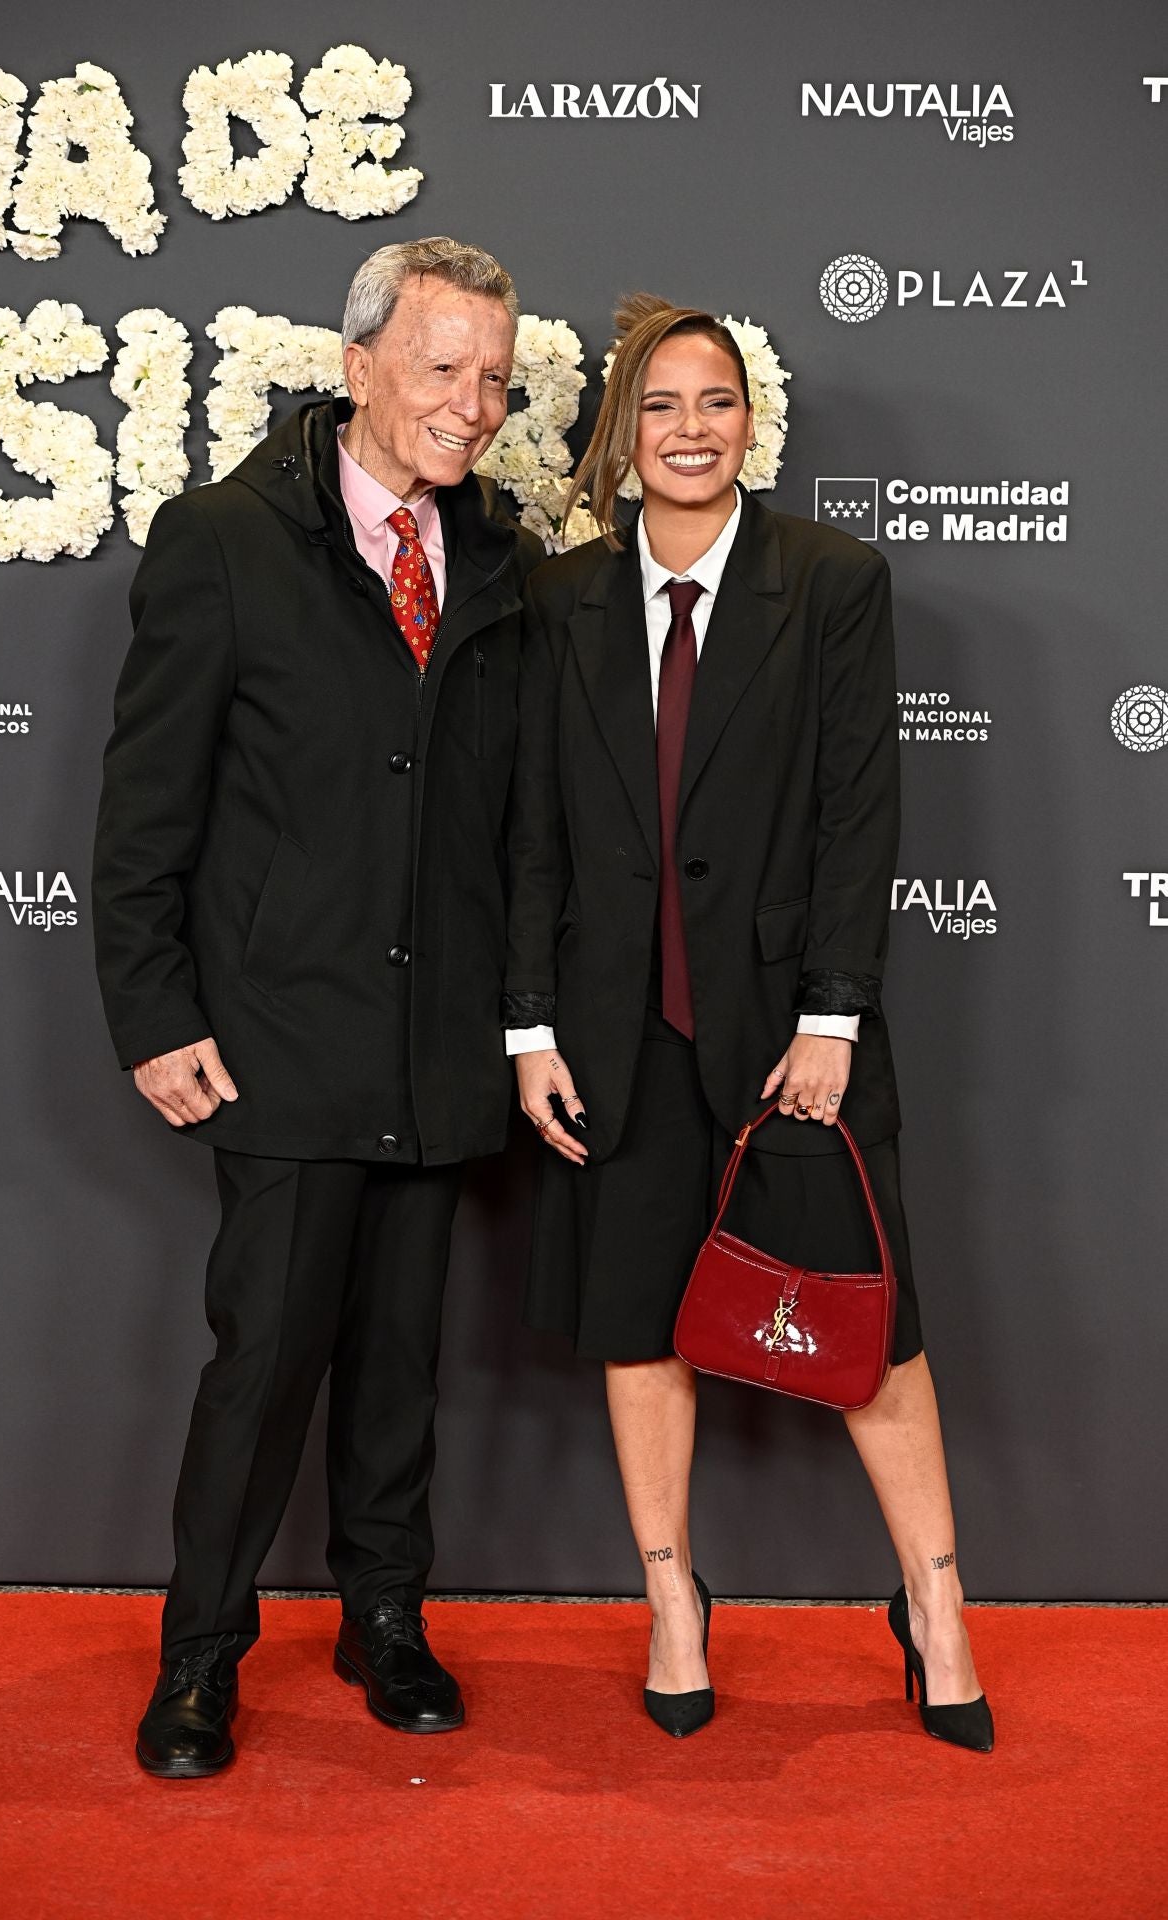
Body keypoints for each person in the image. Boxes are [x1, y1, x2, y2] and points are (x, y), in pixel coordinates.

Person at [503, 295, 993, 1751]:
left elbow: (859, 813)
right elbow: (529, 833)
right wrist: (529, 1026)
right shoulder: (554, 600)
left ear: (751, 421)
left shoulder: (830, 581)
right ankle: (669, 1603)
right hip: (612, 1035)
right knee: (638, 1326)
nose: (689, 429)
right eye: (658, 405)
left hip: (792, 1036)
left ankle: (937, 1607)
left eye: (714, 401)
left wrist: (834, 1011)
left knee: (871, 1333)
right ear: (618, 433)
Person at [92, 237, 545, 1775]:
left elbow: (514, 822)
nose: (472, 405)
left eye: (494, 377)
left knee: (400, 1360)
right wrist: (154, 1012)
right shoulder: (222, 539)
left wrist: (519, 1017)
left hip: (439, 1040)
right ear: (356, 365)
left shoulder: (497, 557)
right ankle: (200, 1658)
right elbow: (146, 806)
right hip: (278, 1036)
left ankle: (383, 1619)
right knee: (266, 1354)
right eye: (441, 369)